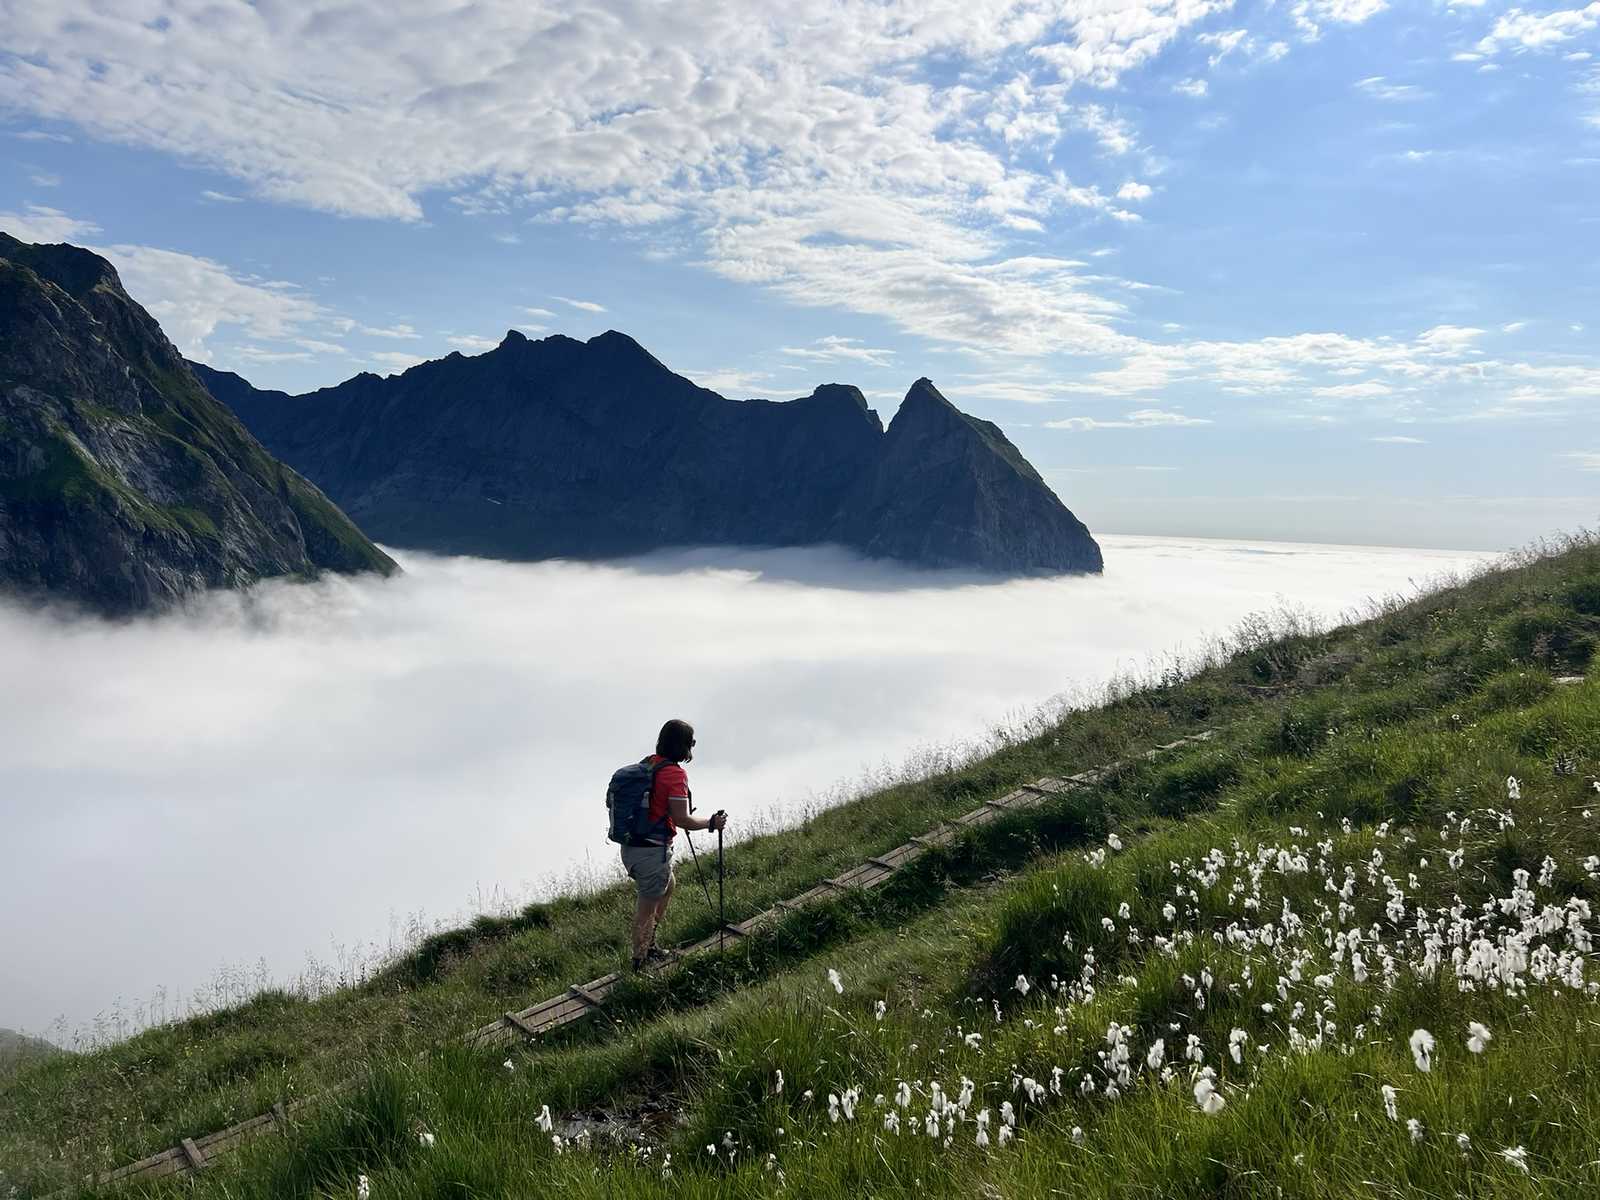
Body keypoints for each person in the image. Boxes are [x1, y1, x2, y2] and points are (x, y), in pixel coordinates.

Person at [620, 718, 727, 971]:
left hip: (631, 847)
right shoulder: (674, 774)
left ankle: (649, 947)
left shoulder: (648, 764)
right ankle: (641, 961)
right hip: (651, 851)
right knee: (646, 907)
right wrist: (712, 822)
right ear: (684, 746)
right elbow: (683, 819)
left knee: (667, 886)